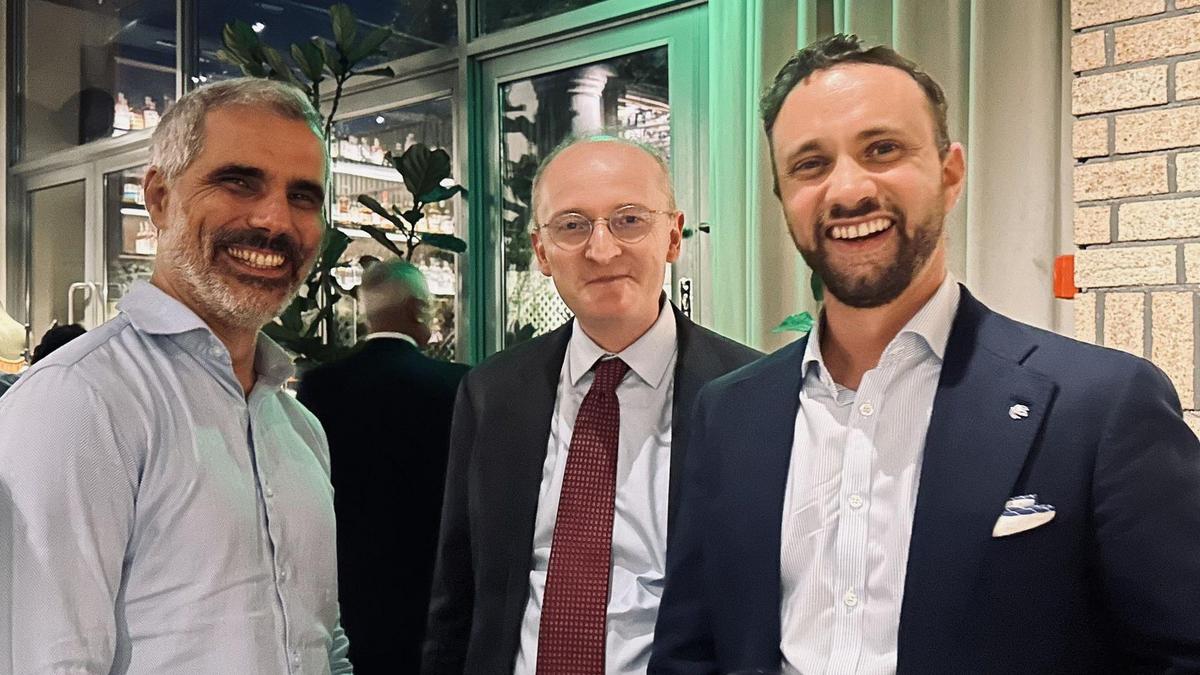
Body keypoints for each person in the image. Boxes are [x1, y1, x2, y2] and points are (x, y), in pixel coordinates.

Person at [650, 34, 1200, 674]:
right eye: (810, 164)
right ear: (783, 198)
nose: (847, 189)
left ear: (950, 173)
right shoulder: (729, 413)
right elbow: (690, 652)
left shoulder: (1100, 408)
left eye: (882, 149)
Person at [0, 77, 352, 673]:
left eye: (302, 195)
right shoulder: (79, 401)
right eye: (239, 182)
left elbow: (322, 642)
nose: (275, 220)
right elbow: (43, 660)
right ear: (160, 198)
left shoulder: (298, 428)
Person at [422, 135, 761, 674]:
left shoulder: (750, 397)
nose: (602, 250)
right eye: (573, 226)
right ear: (542, 252)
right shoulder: (492, 393)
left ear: (673, 236)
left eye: (629, 220)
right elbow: (457, 596)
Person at [297, 258, 469, 672]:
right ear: (417, 309)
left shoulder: (320, 386)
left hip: (347, 588)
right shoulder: (457, 385)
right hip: (431, 588)